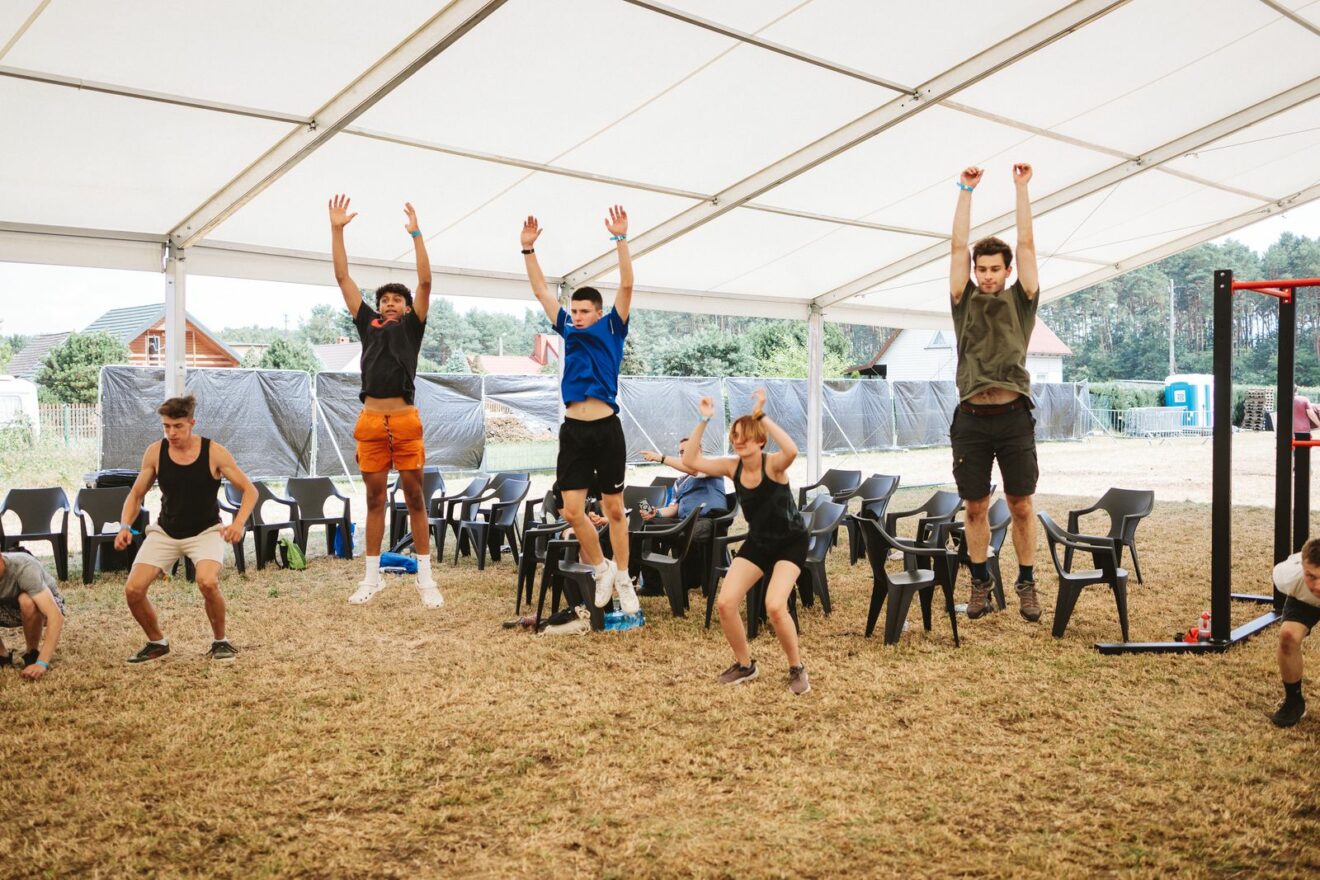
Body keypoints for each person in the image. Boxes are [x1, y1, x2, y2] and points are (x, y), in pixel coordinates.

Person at [521, 206, 639, 617]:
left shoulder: (613, 327)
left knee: (614, 510)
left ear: (598, 313)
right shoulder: (567, 329)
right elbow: (541, 292)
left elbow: (627, 283)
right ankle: (601, 569)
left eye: (584, 311)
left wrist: (620, 239)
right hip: (573, 430)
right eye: (573, 311)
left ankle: (624, 577)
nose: (577, 316)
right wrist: (528, 249)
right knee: (572, 511)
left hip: (606, 429)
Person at [329, 194, 442, 608]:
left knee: (415, 498)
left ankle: (426, 580)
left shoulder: (412, 327)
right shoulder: (368, 324)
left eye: (397, 300)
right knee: (375, 499)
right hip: (372, 421)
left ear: (408, 308)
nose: (389, 303)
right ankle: (371, 578)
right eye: (384, 300)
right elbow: (343, 277)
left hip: (405, 419)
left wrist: (416, 234)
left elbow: (426, 282)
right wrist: (337, 230)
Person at [948, 163, 1042, 623]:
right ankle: (980, 580)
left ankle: (1026, 582)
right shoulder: (963, 300)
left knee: (1020, 504)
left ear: (1007, 271)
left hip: (1013, 416)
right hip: (971, 418)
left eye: (993, 269)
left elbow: (1026, 244)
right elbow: (956, 246)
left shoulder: (1021, 298)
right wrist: (966, 190)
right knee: (976, 506)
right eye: (981, 269)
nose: (986, 276)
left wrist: (1020, 189)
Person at [682, 389, 811, 695]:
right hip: (759, 542)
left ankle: (796, 668)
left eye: (746, 436)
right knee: (726, 603)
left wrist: (761, 415)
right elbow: (690, 460)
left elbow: (792, 450)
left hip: (790, 542)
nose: (739, 441)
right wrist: (704, 419)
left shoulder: (773, 465)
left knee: (775, 606)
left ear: (760, 440)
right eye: (735, 436)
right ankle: (745, 665)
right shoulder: (732, 467)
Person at [114, 395, 258, 663]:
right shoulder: (155, 452)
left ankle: (221, 641)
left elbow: (250, 491)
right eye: (166, 426)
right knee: (133, 590)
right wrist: (124, 526)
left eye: (178, 426)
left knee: (207, 582)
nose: (171, 433)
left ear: (192, 423)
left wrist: (238, 523)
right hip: (166, 531)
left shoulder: (214, 452)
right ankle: (157, 642)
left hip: (206, 531)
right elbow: (136, 495)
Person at [639, 440, 729, 591]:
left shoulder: (711, 467)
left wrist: (660, 458)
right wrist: (657, 513)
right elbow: (674, 508)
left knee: (685, 532)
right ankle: (652, 586)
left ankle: (690, 577)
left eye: (688, 450)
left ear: (700, 451)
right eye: (681, 452)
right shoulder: (679, 482)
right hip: (683, 522)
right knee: (647, 528)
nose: (683, 454)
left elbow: (694, 470)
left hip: (707, 521)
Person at [1270, 539, 1320, 727]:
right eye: (1312, 576)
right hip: (1305, 599)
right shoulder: (1288, 575)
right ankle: (1294, 701)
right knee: (1288, 636)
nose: (1318, 586)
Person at [0, 550, 65, 680]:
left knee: (27, 600)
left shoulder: (24, 567)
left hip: (44, 605)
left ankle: (32, 654)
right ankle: (2, 655)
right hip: (7, 608)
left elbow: (56, 616)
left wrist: (42, 663)